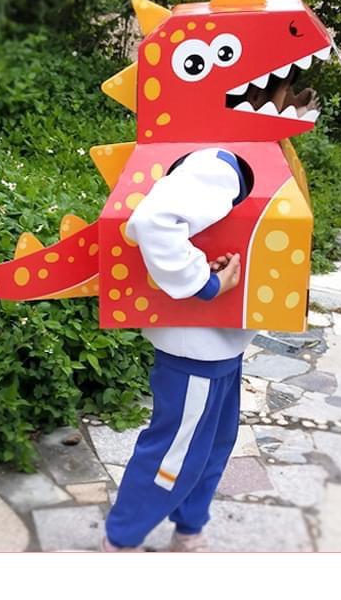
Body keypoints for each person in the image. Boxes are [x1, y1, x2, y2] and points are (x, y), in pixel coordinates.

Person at [102, 148, 249, 553]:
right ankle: (120, 541)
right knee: (174, 454)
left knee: (213, 445)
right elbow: (153, 220)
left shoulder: (245, 155)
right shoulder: (217, 162)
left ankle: (189, 528)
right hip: (196, 348)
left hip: (223, 344)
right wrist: (203, 282)